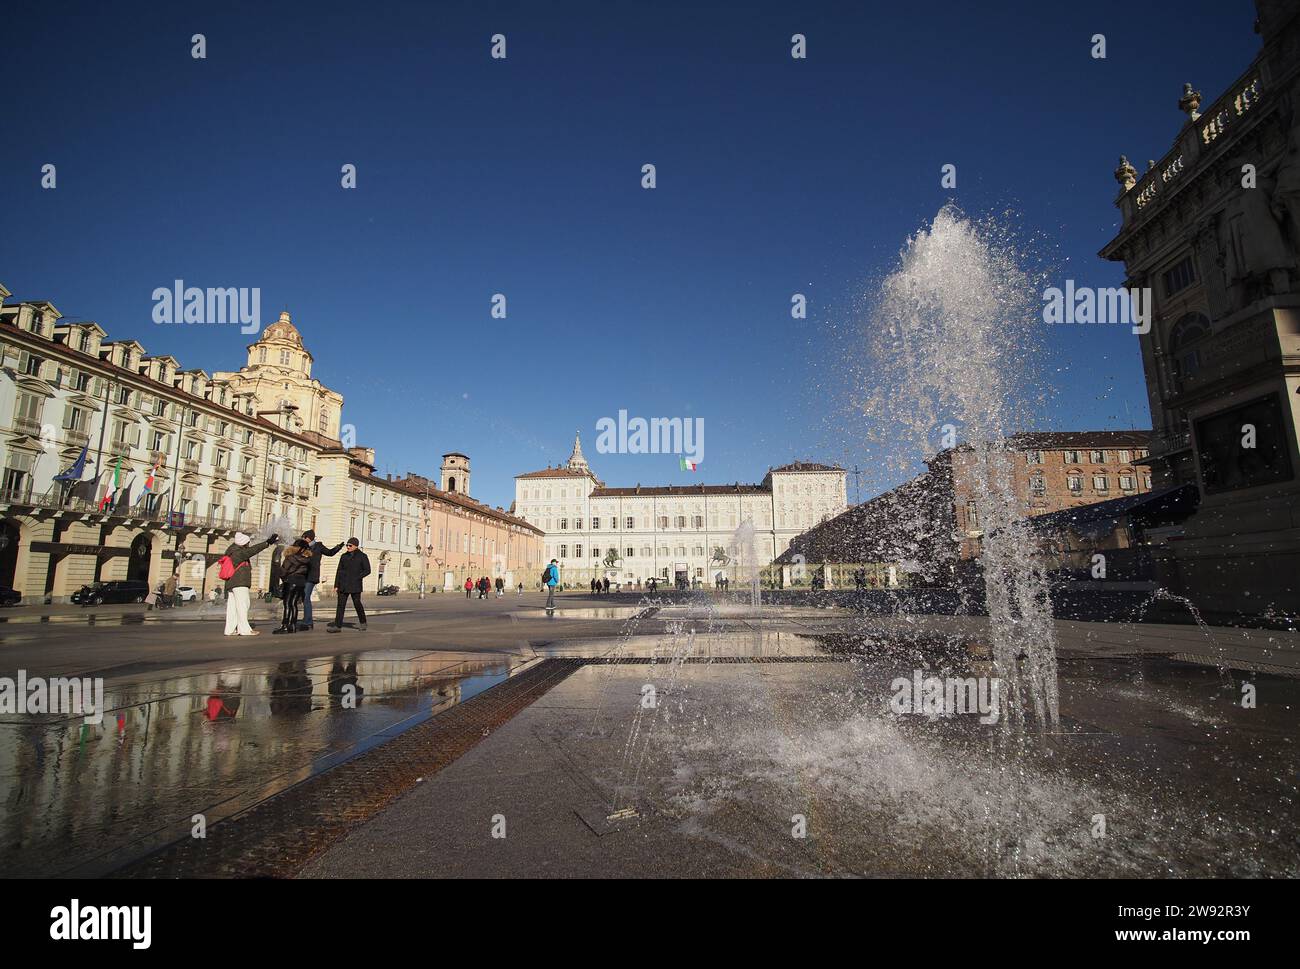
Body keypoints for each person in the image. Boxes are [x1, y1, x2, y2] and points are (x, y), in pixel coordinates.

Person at [223, 531, 276, 636]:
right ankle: (244, 629)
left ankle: (229, 630)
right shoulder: (238, 552)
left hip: (231, 583)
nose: (248, 545)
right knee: (243, 605)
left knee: (232, 607)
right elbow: (252, 551)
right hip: (239, 582)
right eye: (247, 543)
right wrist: (267, 543)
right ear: (243, 543)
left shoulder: (231, 551)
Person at [301, 529, 343, 630]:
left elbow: (330, 553)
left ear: (308, 538)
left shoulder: (318, 546)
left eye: (304, 538)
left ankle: (308, 622)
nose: (302, 539)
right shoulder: (303, 547)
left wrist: (338, 547)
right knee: (303, 598)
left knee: (306, 597)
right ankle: (306, 619)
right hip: (303, 575)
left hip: (311, 576)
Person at [328, 538, 370, 633]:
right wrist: (336, 585)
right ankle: (337, 626)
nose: (348, 547)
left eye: (350, 545)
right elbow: (339, 570)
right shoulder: (344, 556)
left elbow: (367, 570)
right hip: (343, 584)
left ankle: (363, 622)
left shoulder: (362, 556)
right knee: (340, 605)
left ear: (355, 546)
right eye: (347, 545)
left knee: (357, 604)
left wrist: (358, 577)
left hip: (355, 584)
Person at [273, 539, 312, 634]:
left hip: (290, 581)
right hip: (301, 583)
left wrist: (282, 577)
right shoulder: (307, 560)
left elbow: (283, 571)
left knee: (287, 604)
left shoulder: (290, 558)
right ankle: (293, 625)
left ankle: (285, 626)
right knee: (294, 604)